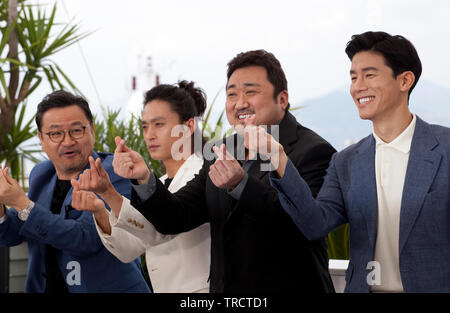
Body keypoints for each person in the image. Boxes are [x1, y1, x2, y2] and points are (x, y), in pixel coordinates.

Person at [113, 50, 337, 292]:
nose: (240, 103)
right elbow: (176, 216)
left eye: (251, 92)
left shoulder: (314, 151)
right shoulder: (222, 150)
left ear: (282, 99)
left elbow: (303, 227)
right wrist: (143, 177)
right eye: (232, 94)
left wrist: (241, 186)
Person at [261, 31, 450, 292]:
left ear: (405, 80)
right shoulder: (346, 161)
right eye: (353, 77)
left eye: (369, 75)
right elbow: (315, 223)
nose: (358, 86)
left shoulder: (445, 148)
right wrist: (278, 158)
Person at [0, 90, 150, 293]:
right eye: (55, 133)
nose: (68, 141)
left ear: (92, 131)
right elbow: (13, 233)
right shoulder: (40, 174)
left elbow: (85, 239)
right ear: (42, 140)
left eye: (76, 131)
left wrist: (21, 202)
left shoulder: (113, 173)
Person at [71, 81, 211, 293]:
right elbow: (128, 250)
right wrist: (101, 208)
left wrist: (110, 193)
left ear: (189, 126)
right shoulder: (160, 183)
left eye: (159, 124)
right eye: (145, 126)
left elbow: (160, 230)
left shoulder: (206, 174)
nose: (149, 135)